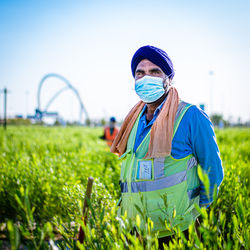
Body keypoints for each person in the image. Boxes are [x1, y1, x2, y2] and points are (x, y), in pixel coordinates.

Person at [111, 45, 224, 247]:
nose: (146, 77)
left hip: (175, 232)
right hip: (134, 231)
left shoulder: (190, 116)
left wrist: (198, 216)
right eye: (140, 73)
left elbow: (212, 171)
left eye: (155, 71)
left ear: (168, 78)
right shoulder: (133, 119)